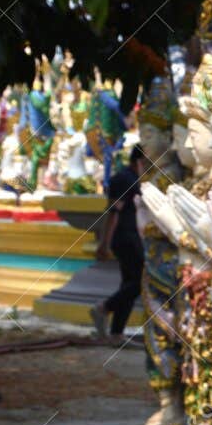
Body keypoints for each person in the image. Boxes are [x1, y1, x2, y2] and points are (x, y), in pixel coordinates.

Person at [93, 143, 145, 337]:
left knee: (129, 283)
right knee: (140, 280)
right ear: (139, 161)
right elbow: (113, 213)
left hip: (130, 235)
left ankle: (116, 332)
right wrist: (104, 243)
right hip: (124, 237)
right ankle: (104, 307)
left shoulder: (133, 179)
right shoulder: (124, 179)